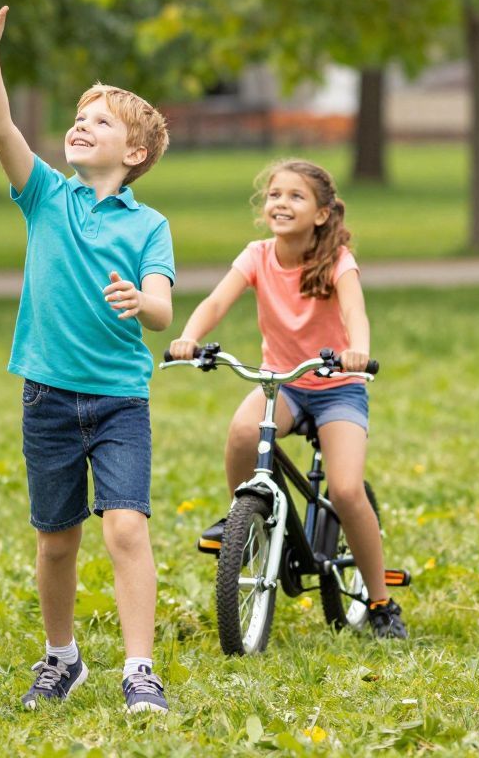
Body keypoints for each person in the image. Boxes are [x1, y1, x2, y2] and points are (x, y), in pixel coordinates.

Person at [0, 0, 174, 714]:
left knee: (126, 528)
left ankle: (140, 670)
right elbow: (1, 128)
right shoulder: (46, 194)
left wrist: (144, 304)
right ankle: (62, 657)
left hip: (119, 399)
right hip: (46, 393)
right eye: (78, 119)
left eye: (98, 122)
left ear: (133, 152)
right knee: (55, 541)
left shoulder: (149, 226)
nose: (80, 128)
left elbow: (165, 309)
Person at [168, 159, 406, 639]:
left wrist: (357, 350)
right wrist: (189, 337)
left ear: (321, 213)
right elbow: (216, 302)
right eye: (274, 194)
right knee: (240, 432)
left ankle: (380, 599)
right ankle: (247, 521)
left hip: (337, 385)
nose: (281, 203)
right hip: (285, 382)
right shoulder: (256, 255)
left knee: (344, 490)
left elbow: (354, 311)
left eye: (295, 196)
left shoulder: (337, 260)